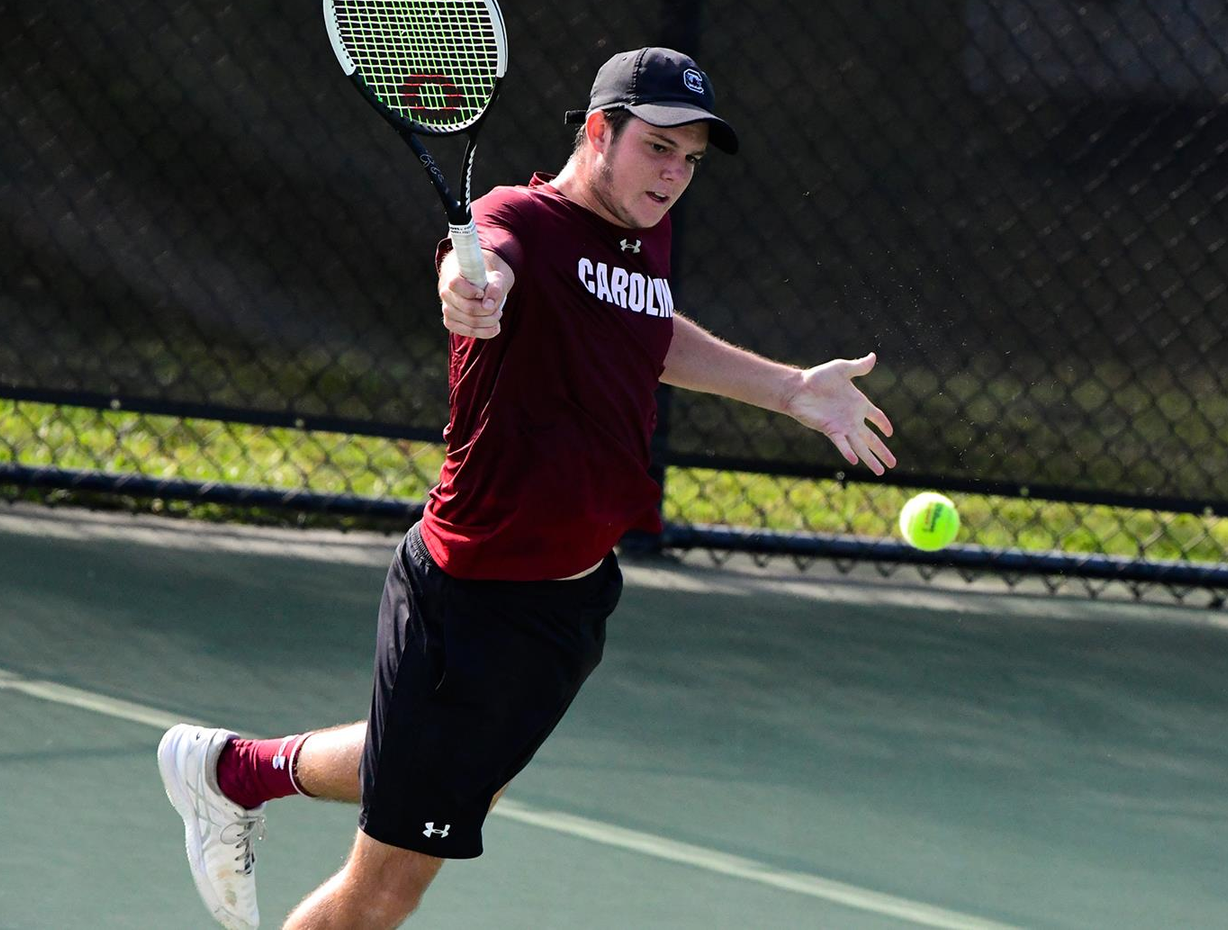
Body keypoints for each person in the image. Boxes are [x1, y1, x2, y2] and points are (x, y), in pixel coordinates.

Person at [157, 46, 896, 929]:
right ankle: (231, 775)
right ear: (598, 131)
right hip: (472, 604)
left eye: (690, 158)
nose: (674, 173)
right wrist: (473, 290)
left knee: (469, 778)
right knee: (385, 891)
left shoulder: (638, 233)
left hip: (572, 602)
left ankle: (236, 771)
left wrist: (786, 389)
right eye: (658, 146)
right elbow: (478, 269)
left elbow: (645, 328)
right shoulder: (518, 220)